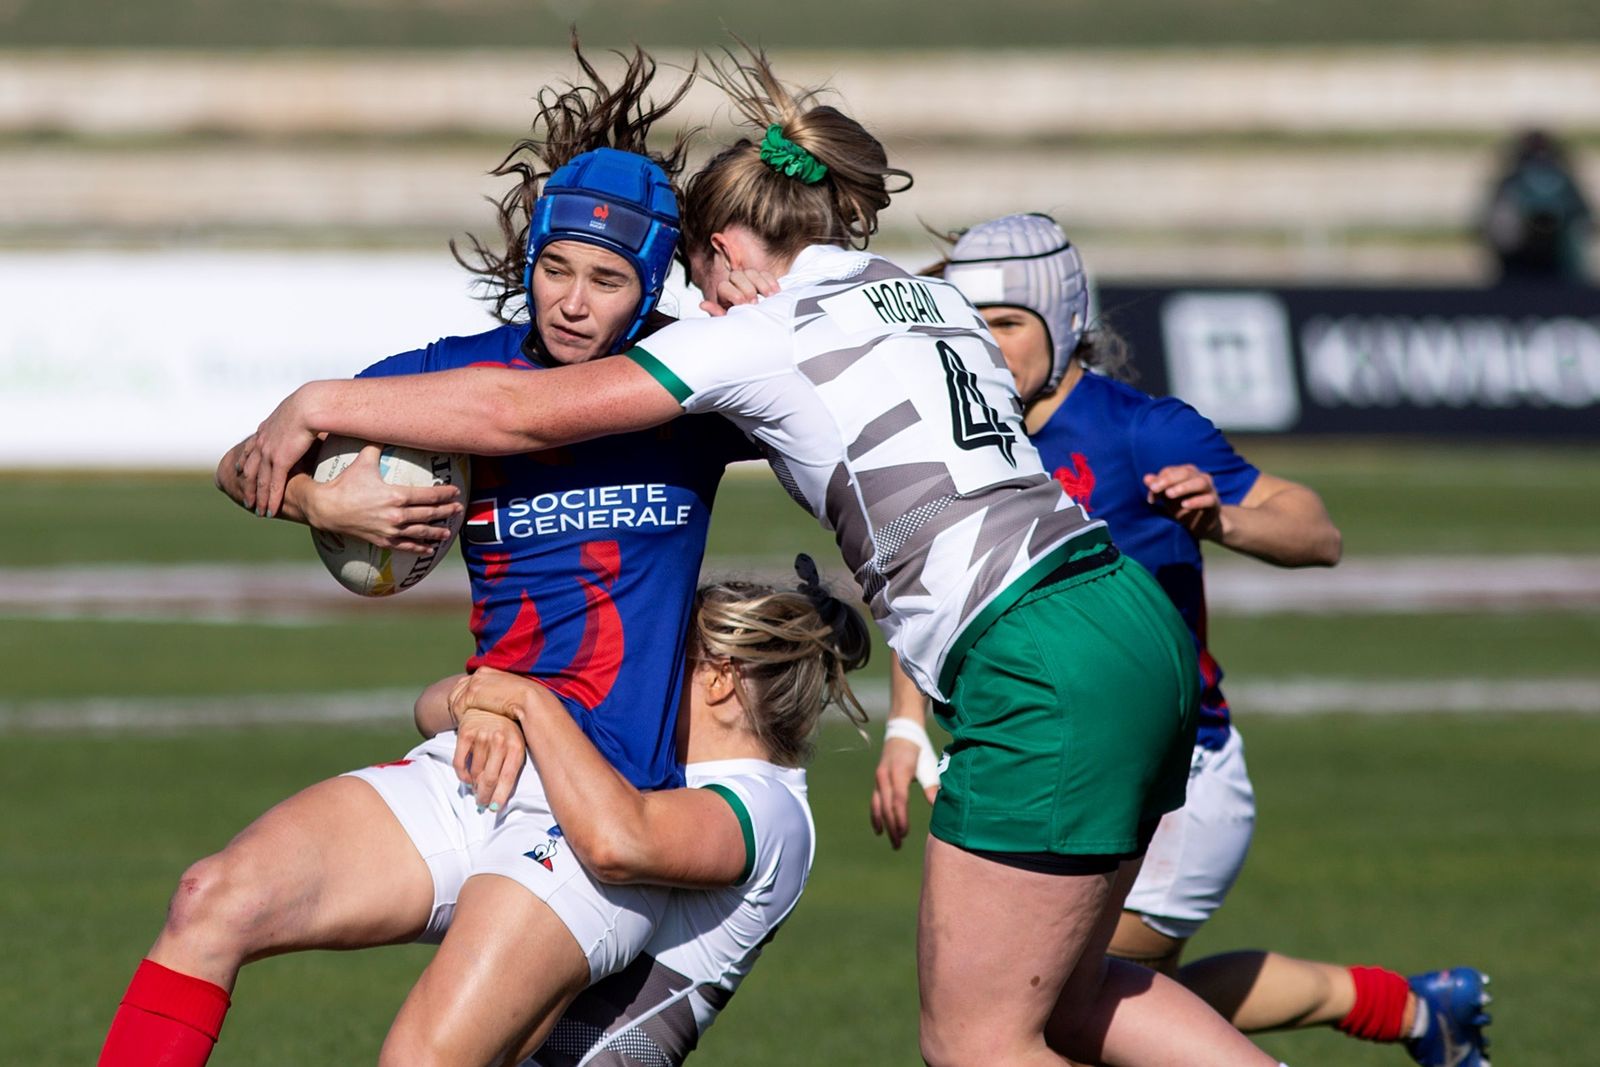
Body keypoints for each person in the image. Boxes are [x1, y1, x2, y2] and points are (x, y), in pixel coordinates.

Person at [239, 42, 1285, 1067]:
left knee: (976, 1043)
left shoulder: (763, 328)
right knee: (1071, 991)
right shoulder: (926, 297)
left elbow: (523, 413)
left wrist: (315, 402)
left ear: (731, 248)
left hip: (1033, 655)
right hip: (1130, 614)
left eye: (698, 272)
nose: (697, 300)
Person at [98, 46, 766, 1066]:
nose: (572, 301)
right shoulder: (453, 375)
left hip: (599, 808)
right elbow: (243, 464)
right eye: (554, 268)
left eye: (605, 278)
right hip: (470, 762)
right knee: (211, 896)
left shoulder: (692, 382)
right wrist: (325, 497)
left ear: (649, 286)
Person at [870, 211, 1491, 1067]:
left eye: (1008, 324)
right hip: (1052, 762)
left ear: (1064, 325)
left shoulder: (1140, 427)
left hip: (1176, 777)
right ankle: (1410, 1007)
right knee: (1105, 1003)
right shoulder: (967, 440)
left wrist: (1223, 516)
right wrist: (906, 726)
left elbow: (1317, 532)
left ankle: (1408, 1010)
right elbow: (947, 595)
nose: (987, 344)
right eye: (970, 324)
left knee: (1055, 1009)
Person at [429, 567, 870, 1066]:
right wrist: (485, 708)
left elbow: (617, 842)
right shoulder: (652, 764)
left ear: (721, 677)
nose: (639, 674)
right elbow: (431, 709)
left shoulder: (770, 809)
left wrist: (529, 701)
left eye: (664, 659)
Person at [1482, 127, 1593, 284]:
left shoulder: (1565, 183)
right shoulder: (1511, 183)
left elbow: (1584, 219)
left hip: (1559, 266)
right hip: (1517, 267)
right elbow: (1493, 227)